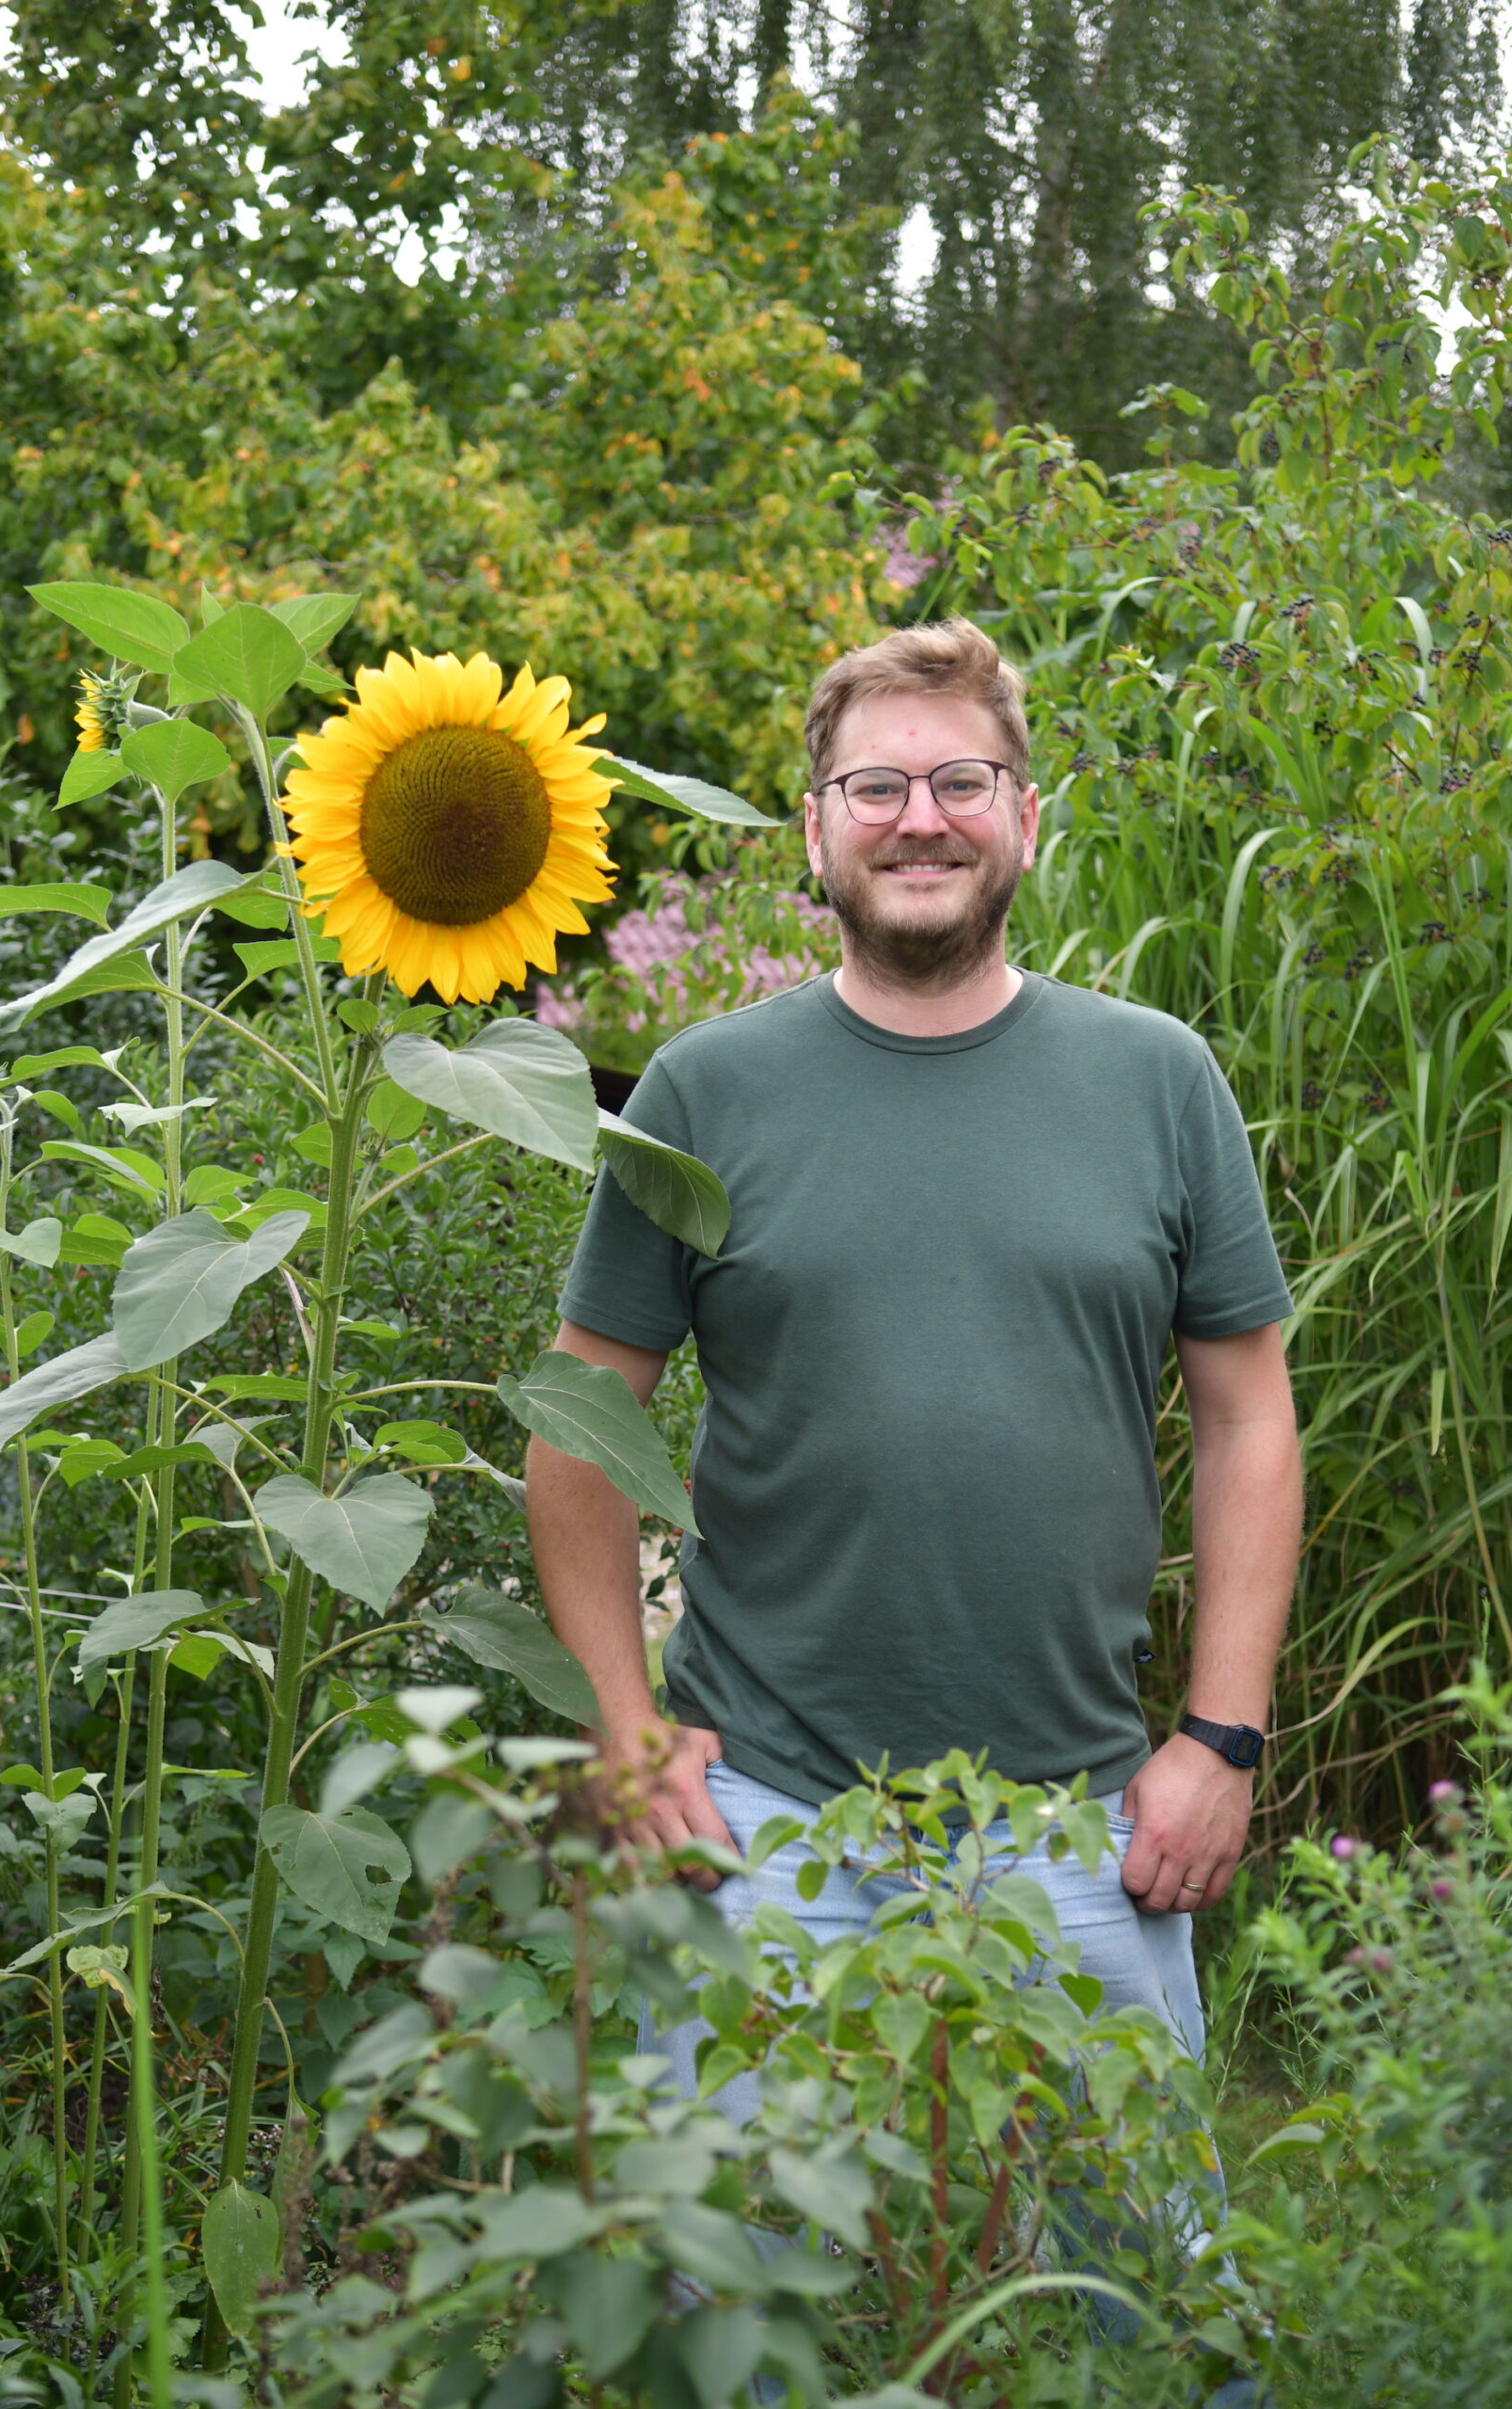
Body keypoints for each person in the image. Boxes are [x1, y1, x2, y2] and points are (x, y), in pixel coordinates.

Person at [525, 616, 1300, 2131]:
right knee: (739, 2261)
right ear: (815, 833)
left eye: (961, 781)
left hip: (1085, 1830)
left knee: (1124, 2266)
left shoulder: (1158, 1080)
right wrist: (626, 1726)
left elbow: (1248, 1416)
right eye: (875, 789)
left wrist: (1222, 1737)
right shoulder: (703, 1092)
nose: (920, 819)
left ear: (1026, 815)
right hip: (761, 1827)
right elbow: (578, 1423)